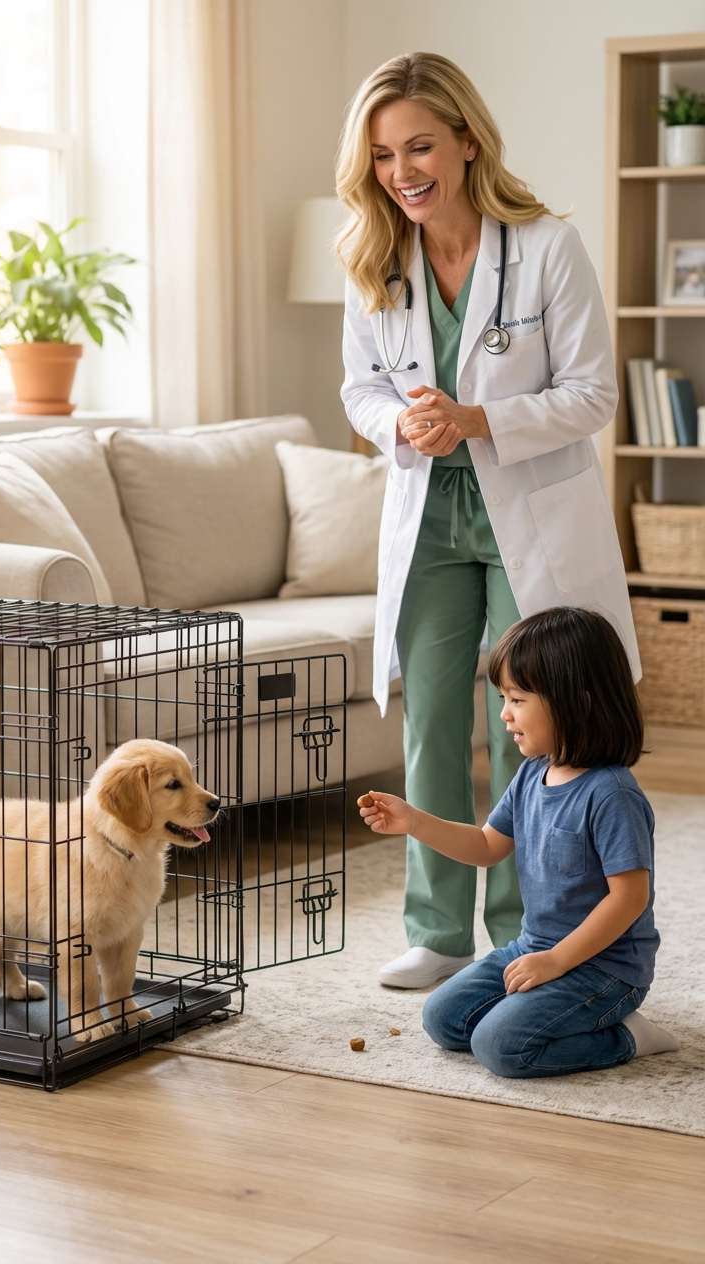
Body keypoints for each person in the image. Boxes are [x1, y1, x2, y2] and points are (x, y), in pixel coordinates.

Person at [336, 52, 639, 990]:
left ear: (467, 142)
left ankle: (527, 927)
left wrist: (477, 419)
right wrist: (403, 422)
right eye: (384, 154)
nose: (403, 171)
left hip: (527, 513)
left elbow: (593, 394)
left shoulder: (545, 246)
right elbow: (358, 390)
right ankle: (437, 931)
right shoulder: (373, 260)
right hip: (430, 513)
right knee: (431, 721)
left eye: (420, 145)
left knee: (534, 723)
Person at [358, 607, 679, 1078]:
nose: (504, 714)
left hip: (604, 967)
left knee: (502, 1047)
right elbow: (488, 846)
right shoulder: (532, 773)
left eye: (517, 699)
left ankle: (628, 1036)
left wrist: (555, 961)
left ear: (579, 702)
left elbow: (630, 898)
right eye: (504, 698)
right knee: (442, 1019)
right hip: (533, 947)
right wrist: (413, 821)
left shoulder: (612, 794)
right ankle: (557, 1013)